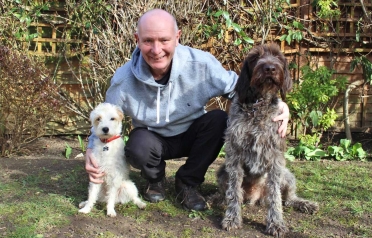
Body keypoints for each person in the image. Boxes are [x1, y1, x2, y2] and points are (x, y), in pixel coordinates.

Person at [84, 9, 290, 211]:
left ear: (177, 37)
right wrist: (90, 151)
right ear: (137, 39)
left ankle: (188, 183)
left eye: (164, 40)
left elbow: (240, 90)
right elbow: (103, 118)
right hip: (152, 141)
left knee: (219, 120)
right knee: (137, 143)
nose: (156, 50)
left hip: (192, 135)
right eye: (148, 41)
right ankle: (154, 180)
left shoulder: (201, 64)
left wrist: (279, 104)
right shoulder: (123, 80)